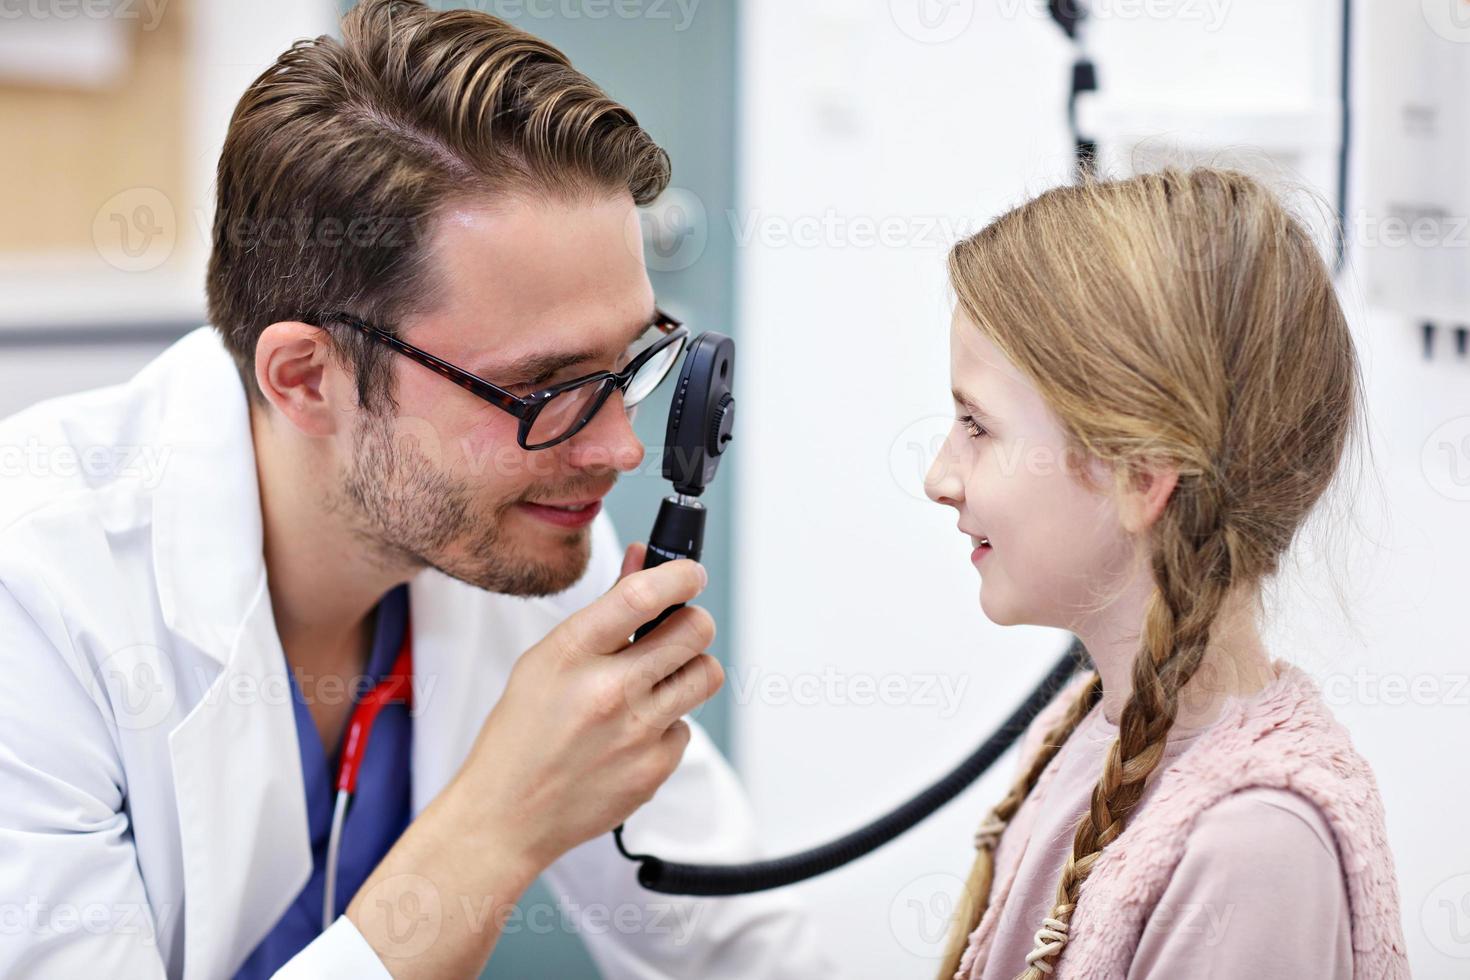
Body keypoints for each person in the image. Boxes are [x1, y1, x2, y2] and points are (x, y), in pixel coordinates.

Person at [0, 2, 826, 977]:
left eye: (630, 364)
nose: (618, 449)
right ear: (306, 378)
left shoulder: (527, 528)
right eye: (546, 386)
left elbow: (736, 939)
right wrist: (499, 818)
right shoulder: (37, 594)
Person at [923, 168, 1410, 979]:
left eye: (978, 426)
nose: (939, 475)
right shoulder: (1080, 739)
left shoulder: (1255, 853)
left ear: (1141, 476)